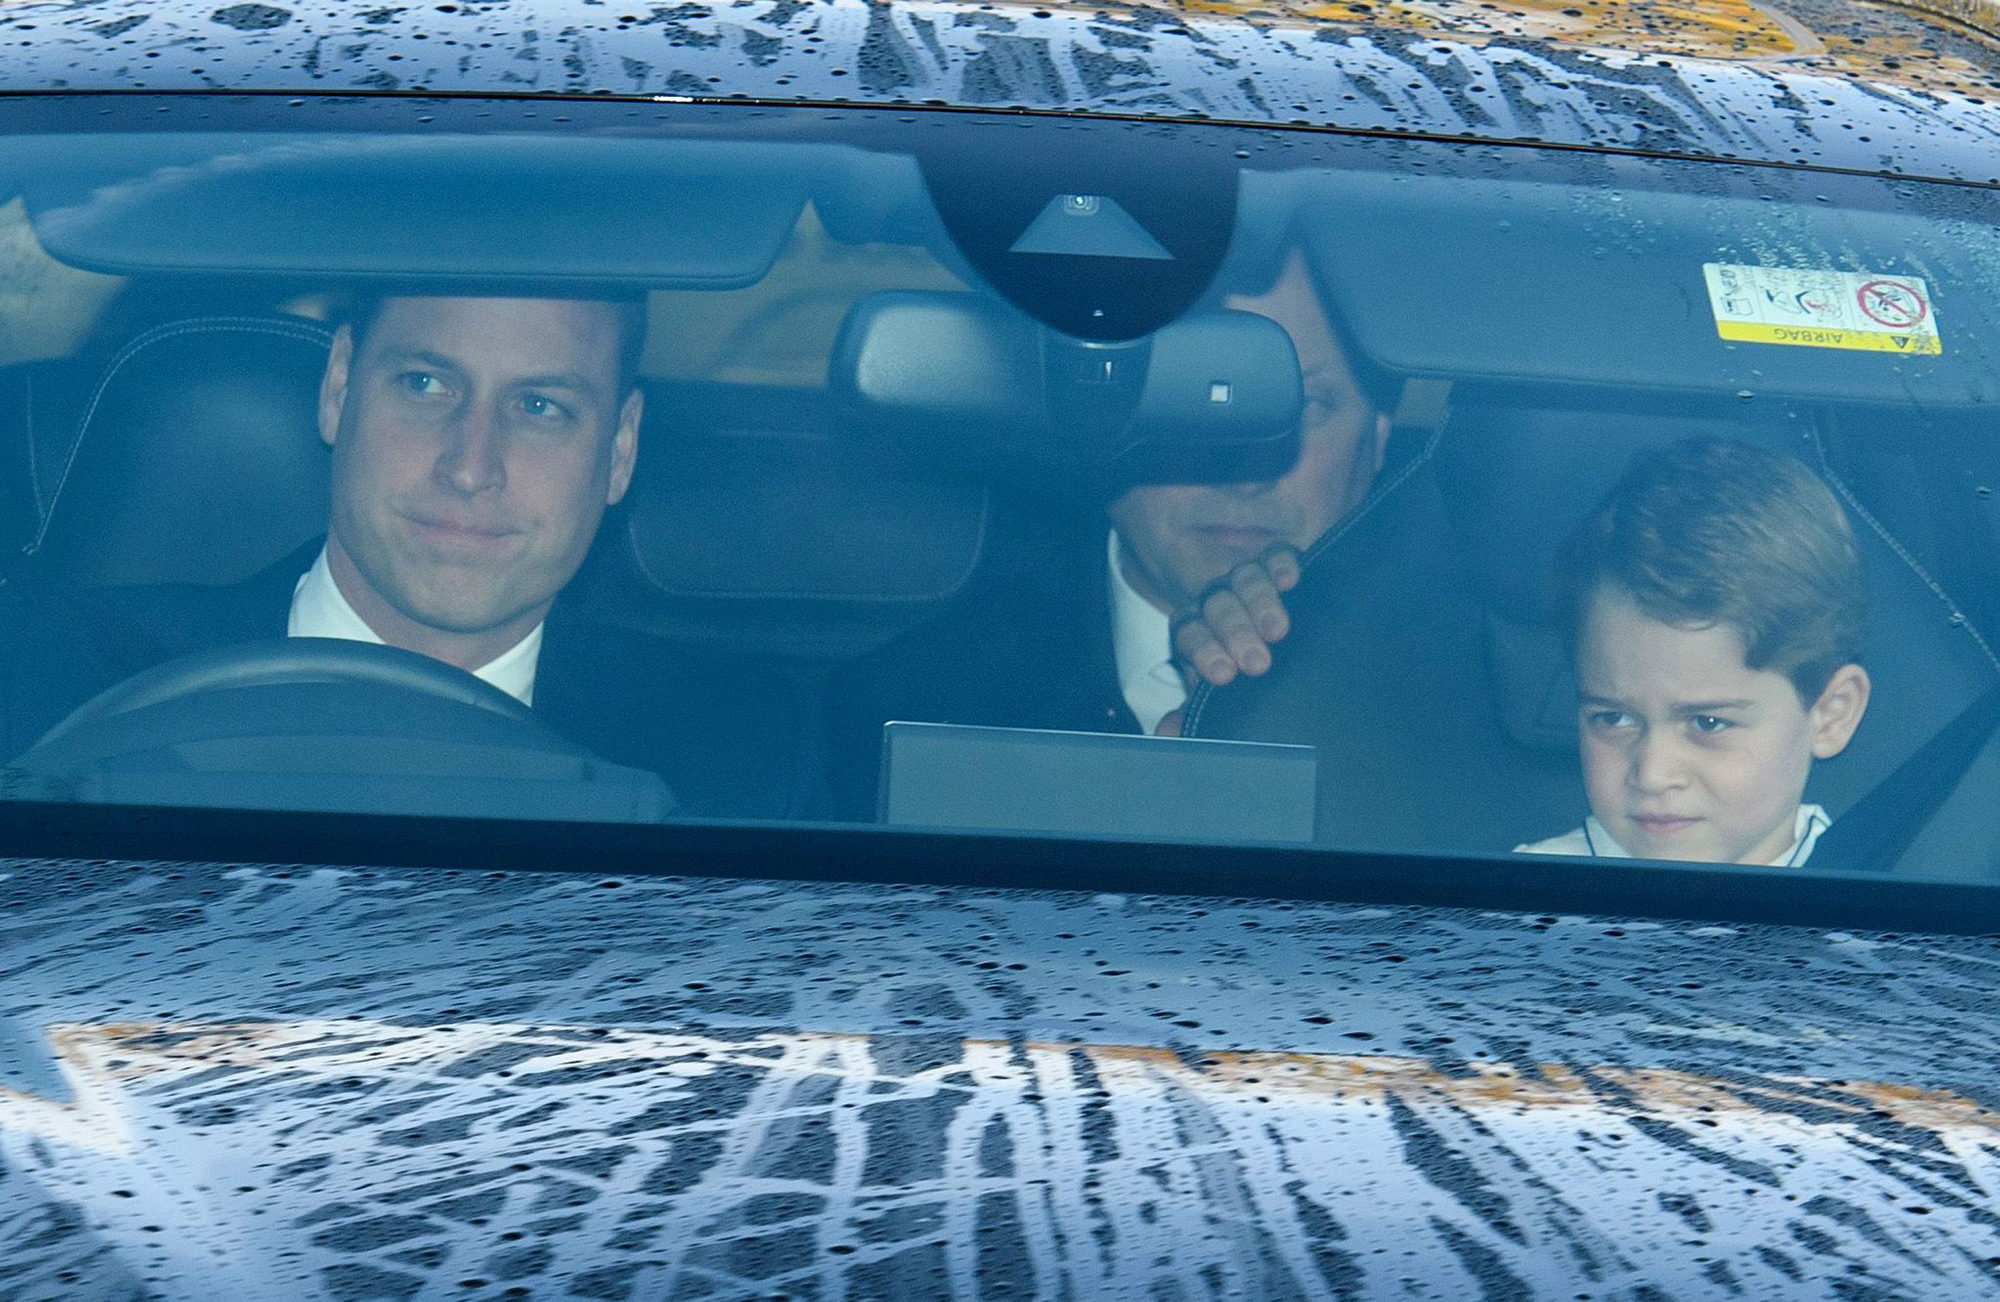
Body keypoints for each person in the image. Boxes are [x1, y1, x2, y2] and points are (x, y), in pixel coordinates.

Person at [79, 291, 805, 817]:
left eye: (540, 406)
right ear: (337, 389)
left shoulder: (748, 763)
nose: (469, 467)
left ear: (620, 450)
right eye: (425, 384)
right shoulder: (53, 672)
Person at [825, 250, 1392, 812]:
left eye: (1307, 402)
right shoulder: (908, 709)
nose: (1244, 474)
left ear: (1379, 437)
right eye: (1189, 395)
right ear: (1099, 427)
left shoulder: (1460, 710)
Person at [1515, 438, 1871, 865]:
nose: (1652, 775)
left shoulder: (1881, 904)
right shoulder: (1532, 896)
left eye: (1709, 722)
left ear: (1832, 713)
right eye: (1613, 718)